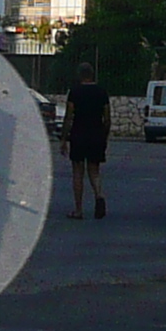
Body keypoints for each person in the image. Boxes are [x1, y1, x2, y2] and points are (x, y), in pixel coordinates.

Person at [64, 64, 112, 219]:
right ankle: (99, 195)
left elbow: (69, 116)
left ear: (80, 75)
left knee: (78, 173)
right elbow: (107, 118)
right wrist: (104, 136)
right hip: (96, 135)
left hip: (78, 135)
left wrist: (64, 138)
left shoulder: (75, 92)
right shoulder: (102, 92)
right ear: (92, 75)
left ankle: (78, 210)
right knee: (94, 170)